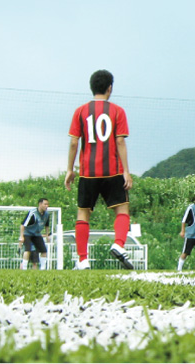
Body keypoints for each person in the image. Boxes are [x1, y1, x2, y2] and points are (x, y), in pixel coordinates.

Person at [65, 69, 134, 270]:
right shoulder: (118, 111)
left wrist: (70, 169)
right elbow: (120, 141)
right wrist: (126, 171)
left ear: (91, 87)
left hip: (88, 172)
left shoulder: (80, 112)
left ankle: (83, 260)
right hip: (112, 170)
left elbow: (73, 143)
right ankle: (119, 244)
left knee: (83, 213)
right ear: (110, 88)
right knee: (122, 208)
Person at [18, 198, 51, 270]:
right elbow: (22, 225)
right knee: (28, 250)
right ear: (40, 204)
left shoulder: (47, 214)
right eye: (45, 204)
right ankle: (24, 268)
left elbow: (47, 225)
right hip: (28, 233)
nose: (46, 206)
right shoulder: (33, 213)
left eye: (47, 204)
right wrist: (21, 236)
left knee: (44, 251)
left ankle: (42, 269)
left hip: (37, 234)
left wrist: (47, 235)